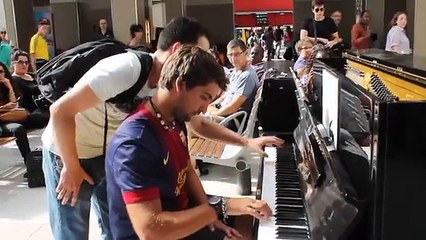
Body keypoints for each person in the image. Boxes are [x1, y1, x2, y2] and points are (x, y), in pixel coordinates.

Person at [42, 16, 283, 240]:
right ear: (179, 51)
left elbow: (197, 124)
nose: (203, 61)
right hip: (69, 149)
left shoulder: (169, 104)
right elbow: (60, 110)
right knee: (72, 230)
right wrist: (70, 166)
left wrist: (246, 142)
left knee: (113, 223)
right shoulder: (126, 69)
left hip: (107, 151)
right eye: (197, 53)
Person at [106, 45, 272, 240]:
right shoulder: (135, 144)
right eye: (204, 97)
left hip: (181, 222)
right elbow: (151, 230)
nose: (204, 108)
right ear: (180, 84)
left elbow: (187, 170)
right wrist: (216, 209)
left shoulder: (174, 119)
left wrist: (211, 218)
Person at [208, 39, 259, 131]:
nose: (233, 59)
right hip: (224, 113)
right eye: (230, 55)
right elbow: (226, 95)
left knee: (194, 124)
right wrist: (211, 106)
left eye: (237, 54)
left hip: (231, 120)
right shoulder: (236, 72)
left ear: (246, 53)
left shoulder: (247, 76)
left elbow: (234, 106)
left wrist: (213, 114)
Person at [0, 61, 31, 164]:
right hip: (3, 118)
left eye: (1, 72)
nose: (0, 75)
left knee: (19, 128)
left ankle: (29, 162)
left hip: (5, 119)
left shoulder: (5, 85)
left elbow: (14, 103)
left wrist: (9, 86)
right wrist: (5, 107)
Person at [11, 50, 49, 129]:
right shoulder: (14, 79)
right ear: (13, 63)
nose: (24, 65)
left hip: (42, 106)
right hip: (30, 112)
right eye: (20, 62)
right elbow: (33, 90)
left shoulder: (30, 75)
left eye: (26, 62)